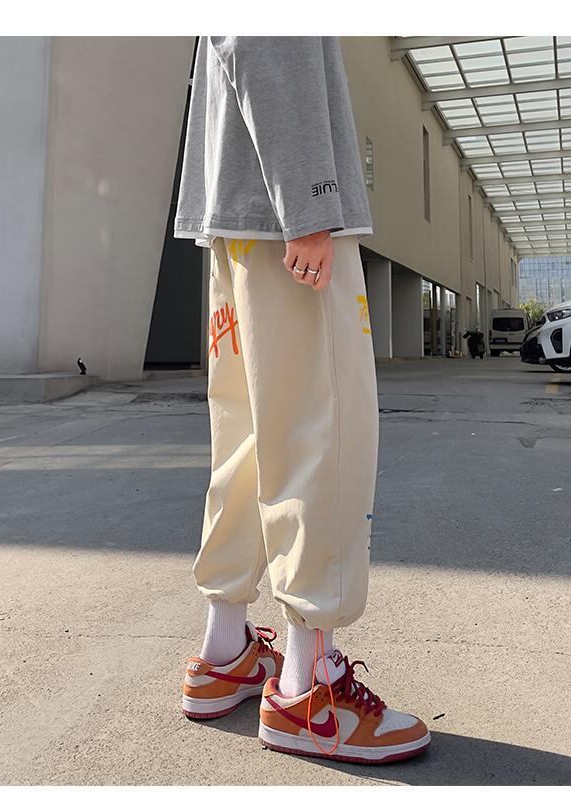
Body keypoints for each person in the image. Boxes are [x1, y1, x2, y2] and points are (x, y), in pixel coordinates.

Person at [174, 36, 430, 764]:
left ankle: (225, 651)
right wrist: (311, 203)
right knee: (323, 432)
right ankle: (309, 690)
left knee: (251, 437)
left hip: (236, 217)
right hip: (286, 217)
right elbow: (267, 37)